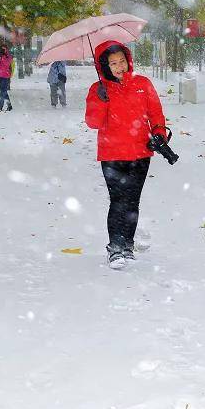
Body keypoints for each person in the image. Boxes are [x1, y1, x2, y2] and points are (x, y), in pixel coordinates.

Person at [85, 40, 168, 269]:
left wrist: (159, 133)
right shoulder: (98, 89)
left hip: (140, 153)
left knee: (132, 202)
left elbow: (156, 114)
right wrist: (100, 101)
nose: (119, 66)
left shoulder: (142, 84)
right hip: (112, 154)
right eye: (113, 63)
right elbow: (92, 122)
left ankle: (127, 246)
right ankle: (115, 248)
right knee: (118, 201)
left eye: (122, 61)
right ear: (105, 66)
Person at [0, 44, 13, 111]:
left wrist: (3, 56)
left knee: (3, 92)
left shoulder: (8, 56)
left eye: (4, 49)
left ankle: (0, 107)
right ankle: (9, 105)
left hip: (5, 76)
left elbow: (7, 64)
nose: (2, 50)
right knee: (4, 92)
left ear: (6, 49)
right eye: (1, 49)